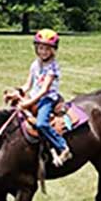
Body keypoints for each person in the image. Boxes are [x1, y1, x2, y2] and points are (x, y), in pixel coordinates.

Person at [9, 28, 72, 166]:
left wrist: (27, 104)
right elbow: (28, 85)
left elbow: (44, 90)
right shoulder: (35, 64)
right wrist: (18, 92)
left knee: (41, 123)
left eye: (47, 49)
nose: (43, 52)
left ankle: (63, 147)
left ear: (53, 50)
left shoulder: (53, 67)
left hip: (47, 98)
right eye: (40, 48)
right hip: (34, 95)